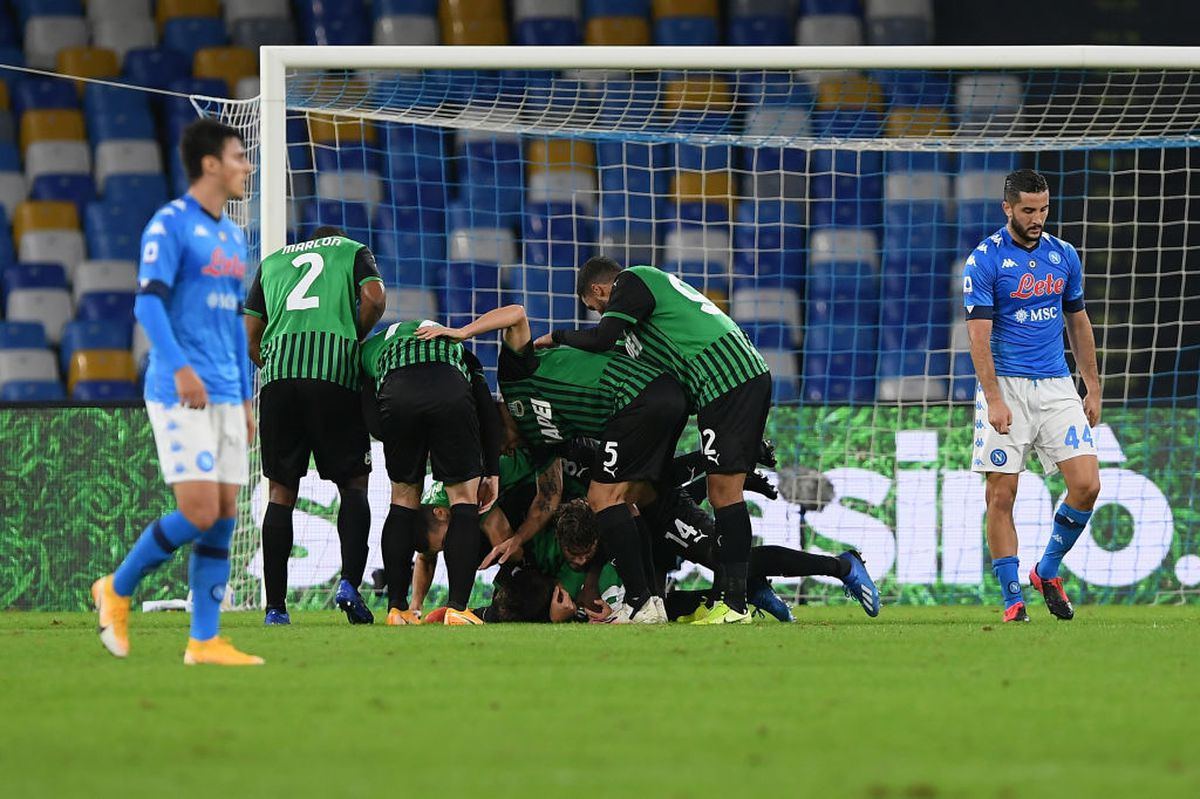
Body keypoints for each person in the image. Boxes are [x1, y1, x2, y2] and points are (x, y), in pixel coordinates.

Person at [91, 119, 260, 665]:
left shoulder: (233, 237)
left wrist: (244, 398)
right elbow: (147, 304)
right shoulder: (170, 224)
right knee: (200, 510)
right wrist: (183, 369)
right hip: (178, 389)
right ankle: (116, 587)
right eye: (238, 157)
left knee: (226, 513)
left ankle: (203, 640)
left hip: (226, 392)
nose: (247, 166)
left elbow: (233, 323)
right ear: (210, 164)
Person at [537, 257, 773, 624]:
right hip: (720, 386)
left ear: (599, 290)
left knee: (725, 494)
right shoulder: (642, 329)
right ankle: (722, 599)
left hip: (727, 377)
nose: (600, 313)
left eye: (595, 307)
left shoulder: (632, 280)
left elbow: (602, 339)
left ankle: (735, 604)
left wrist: (556, 338)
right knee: (716, 492)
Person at [416, 303, 684, 623]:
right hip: (643, 407)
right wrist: (517, 540)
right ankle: (651, 601)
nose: (506, 452)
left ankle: (641, 600)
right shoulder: (539, 440)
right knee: (631, 499)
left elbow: (516, 314)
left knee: (606, 498)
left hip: (637, 399)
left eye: (499, 446)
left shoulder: (514, 379)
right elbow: (548, 497)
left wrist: (462, 332)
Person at [963, 168, 1102, 623]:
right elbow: (978, 337)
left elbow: (1077, 321)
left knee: (1087, 485)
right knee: (1002, 495)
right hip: (1007, 386)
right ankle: (1012, 600)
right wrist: (994, 398)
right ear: (1008, 208)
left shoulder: (1063, 255)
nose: (1037, 218)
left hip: (1057, 385)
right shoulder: (984, 260)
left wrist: (1092, 386)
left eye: (1043, 209)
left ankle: (1046, 570)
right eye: (1028, 210)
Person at [243, 227, 386, 625]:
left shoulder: (272, 262)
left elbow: (250, 336)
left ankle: (275, 609)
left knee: (280, 492)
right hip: (333, 373)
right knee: (354, 484)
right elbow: (375, 298)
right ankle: (350, 585)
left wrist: (278, 366)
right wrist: (352, 337)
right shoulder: (351, 250)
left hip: (278, 381)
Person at [361, 322, 501, 625]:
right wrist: (492, 470)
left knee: (402, 498)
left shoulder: (369, 349)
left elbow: (370, 415)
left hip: (397, 394)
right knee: (463, 500)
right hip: (449, 389)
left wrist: (398, 438)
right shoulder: (455, 345)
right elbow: (486, 409)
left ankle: (397, 610)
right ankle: (458, 609)